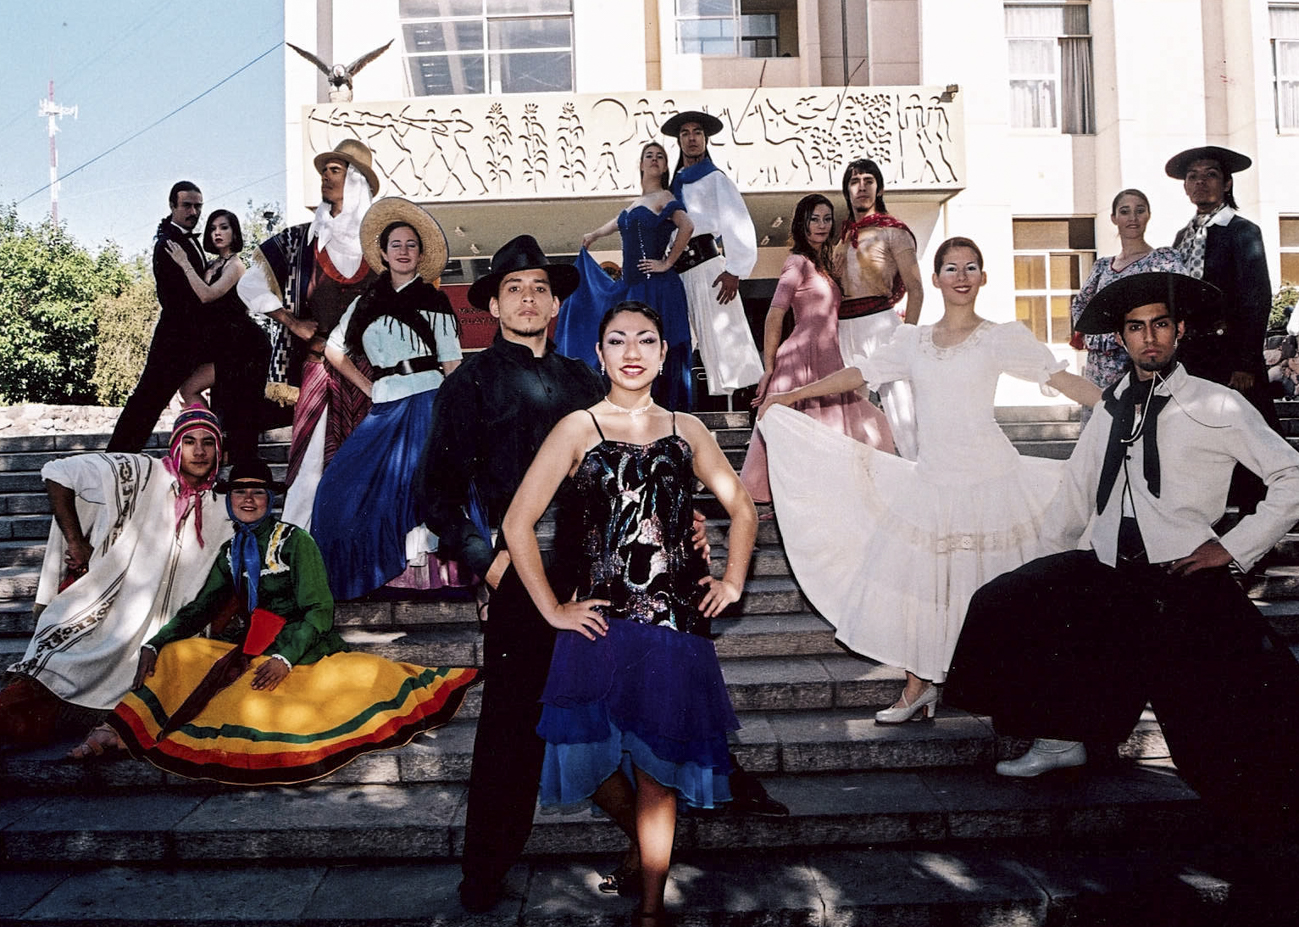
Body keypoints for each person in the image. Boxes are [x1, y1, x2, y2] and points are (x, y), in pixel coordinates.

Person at [942, 272, 1299, 824]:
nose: (1148, 337)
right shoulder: (1111, 407)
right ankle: (1060, 739)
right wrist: (1047, 558)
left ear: (1180, 330)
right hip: (1110, 567)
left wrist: (1233, 548)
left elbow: (1291, 476)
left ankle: (1252, 816)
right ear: (1122, 338)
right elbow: (1076, 492)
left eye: (1160, 324)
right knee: (1007, 599)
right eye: (1136, 327)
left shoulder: (1217, 404)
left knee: (1224, 722)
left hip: (1181, 575)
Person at [757, 237, 1099, 723]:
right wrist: (790, 396)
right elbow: (858, 374)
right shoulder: (912, 341)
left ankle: (1014, 693)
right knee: (922, 589)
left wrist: (1124, 405)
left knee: (998, 588)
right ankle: (918, 688)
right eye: (951, 268)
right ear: (935, 279)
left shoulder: (1000, 337)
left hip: (994, 480)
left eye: (971, 267)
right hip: (933, 481)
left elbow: (1061, 380)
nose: (962, 276)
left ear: (983, 278)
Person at [503, 301, 756, 925]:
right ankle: (640, 850)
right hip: (598, 626)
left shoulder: (688, 428)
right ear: (600, 354)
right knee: (584, 762)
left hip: (674, 628)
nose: (632, 351)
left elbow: (743, 507)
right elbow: (516, 523)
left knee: (657, 773)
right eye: (617, 340)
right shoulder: (577, 426)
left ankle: (649, 911)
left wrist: (732, 579)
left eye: (646, 339)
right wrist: (553, 609)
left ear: (665, 354)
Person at [79, 459, 480, 781]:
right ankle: (118, 730)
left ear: (269, 499)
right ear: (229, 499)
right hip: (253, 648)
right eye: (240, 491)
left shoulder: (294, 542)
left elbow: (319, 610)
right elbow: (201, 608)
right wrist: (156, 641)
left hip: (302, 649)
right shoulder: (231, 551)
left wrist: (284, 658)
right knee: (179, 653)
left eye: (257, 492)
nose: (248, 499)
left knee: (278, 698)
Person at [0, 406, 232, 748]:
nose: (199, 451)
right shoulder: (141, 473)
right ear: (175, 446)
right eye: (189, 441)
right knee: (33, 697)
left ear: (219, 451)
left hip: (163, 636)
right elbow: (58, 472)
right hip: (109, 615)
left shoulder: (222, 507)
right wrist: (76, 542)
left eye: (208, 442)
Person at [311, 197, 467, 600]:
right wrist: (367, 387)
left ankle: (426, 578)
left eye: (411, 245)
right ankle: (363, 574)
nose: (403, 251)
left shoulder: (435, 300)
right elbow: (333, 350)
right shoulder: (365, 302)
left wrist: (456, 416)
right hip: (384, 403)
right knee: (337, 486)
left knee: (420, 487)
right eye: (396, 244)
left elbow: (452, 363)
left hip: (429, 400)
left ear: (420, 255)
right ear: (382, 253)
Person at [238, 139, 380, 529]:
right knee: (309, 463)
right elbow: (249, 285)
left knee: (368, 462)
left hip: (369, 375)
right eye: (324, 171)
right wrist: (290, 320)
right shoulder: (300, 241)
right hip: (318, 367)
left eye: (335, 171)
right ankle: (297, 543)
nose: (325, 178)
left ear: (356, 180)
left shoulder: (381, 247)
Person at [740, 193, 896, 503]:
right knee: (806, 435)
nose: (822, 225)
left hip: (828, 358)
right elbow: (774, 314)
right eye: (814, 219)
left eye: (827, 219)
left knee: (867, 425)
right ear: (802, 224)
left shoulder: (822, 265)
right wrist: (769, 368)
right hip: (802, 359)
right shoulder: (796, 262)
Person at [1167, 145, 1280, 511]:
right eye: (1193, 177)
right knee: (1198, 441)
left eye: (1210, 175)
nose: (1201, 183)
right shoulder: (1182, 237)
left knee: (1248, 442)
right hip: (1192, 360)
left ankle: (1259, 524)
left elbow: (1256, 299)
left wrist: (1246, 362)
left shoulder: (1242, 232)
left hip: (1231, 358)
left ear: (1227, 183)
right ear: (1186, 187)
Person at [561, 141, 696, 410]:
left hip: (656, 286)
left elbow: (687, 226)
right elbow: (618, 222)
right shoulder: (637, 202)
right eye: (649, 155)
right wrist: (595, 235)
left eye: (660, 156)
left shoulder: (665, 197)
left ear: (665, 167)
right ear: (641, 164)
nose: (654, 159)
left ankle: (664, 412)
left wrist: (667, 263)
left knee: (656, 348)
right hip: (632, 286)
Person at [107, 182, 220, 453]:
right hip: (177, 338)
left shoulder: (185, 239)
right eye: (187, 206)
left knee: (151, 398)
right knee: (149, 399)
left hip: (191, 336)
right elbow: (180, 299)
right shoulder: (169, 243)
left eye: (198, 206)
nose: (194, 212)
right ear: (172, 206)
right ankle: (119, 455)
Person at [663, 110, 764, 398]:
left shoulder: (715, 178)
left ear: (706, 139)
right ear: (678, 141)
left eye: (697, 132)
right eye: (685, 133)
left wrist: (735, 270)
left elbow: (738, 221)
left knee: (730, 346)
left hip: (708, 267)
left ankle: (752, 407)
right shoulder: (673, 185)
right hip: (678, 274)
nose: (691, 138)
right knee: (682, 345)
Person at [163, 208, 273, 464]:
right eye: (213, 228)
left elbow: (207, 295)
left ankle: (223, 445)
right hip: (223, 345)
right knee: (190, 389)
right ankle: (215, 437)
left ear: (234, 232)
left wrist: (184, 264)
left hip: (245, 345)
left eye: (224, 227)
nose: (217, 233)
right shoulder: (212, 265)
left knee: (238, 407)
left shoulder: (236, 265)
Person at [833, 158, 925, 460]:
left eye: (868, 181)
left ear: (879, 188)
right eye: (854, 181)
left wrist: (906, 337)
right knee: (851, 413)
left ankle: (920, 472)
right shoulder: (841, 236)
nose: (861, 187)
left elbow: (916, 289)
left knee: (903, 410)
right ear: (846, 190)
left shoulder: (894, 231)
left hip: (880, 324)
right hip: (844, 328)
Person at [1070, 189, 1185, 424]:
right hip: (1100, 366)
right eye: (1125, 212)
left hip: (1143, 360)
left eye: (1139, 211)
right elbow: (1080, 304)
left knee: (1142, 424)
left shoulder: (1164, 260)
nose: (1132, 218)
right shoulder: (1103, 266)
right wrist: (1096, 334)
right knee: (1102, 423)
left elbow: (1181, 303)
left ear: (1148, 215)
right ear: (1114, 218)